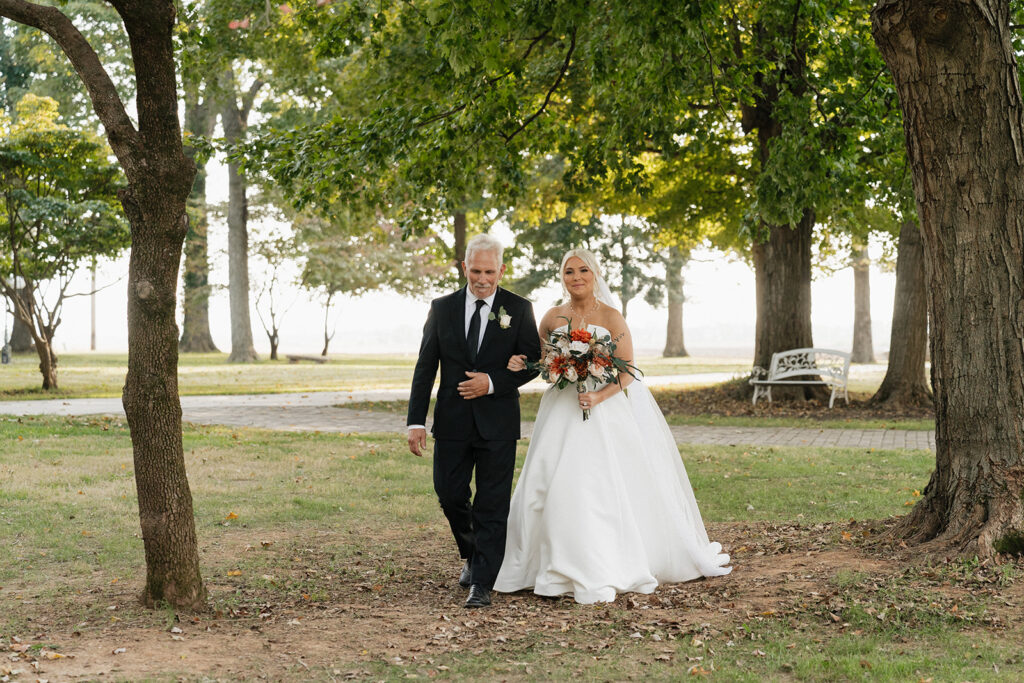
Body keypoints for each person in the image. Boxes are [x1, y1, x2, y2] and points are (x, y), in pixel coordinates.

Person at [494, 248, 731, 604]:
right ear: (562, 277)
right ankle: (543, 562)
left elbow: (628, 371)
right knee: (548, 478)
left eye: (583, 271)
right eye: (569, 271)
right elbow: (541, 362)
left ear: (595, 274)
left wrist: (599, 396)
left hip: (602, 409)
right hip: (561, 408)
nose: (576, 277)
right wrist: (523, 362)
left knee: (602, 482)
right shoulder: (551, 317)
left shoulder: (611, 317)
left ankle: (605, 559)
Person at [407, 234, 541, 608]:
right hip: (451, 421)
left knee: (493, 503)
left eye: (490, 272)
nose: (482, 279)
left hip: (498, 423)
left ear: (502, 270)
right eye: (476, 271)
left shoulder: (519, 307)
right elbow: (425, 368)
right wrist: (415, 421)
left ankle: (482, 580)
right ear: (465, 268)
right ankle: (470, 552)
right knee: (449, 495)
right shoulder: (442, 307)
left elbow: (533, 361)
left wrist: (494, 381)